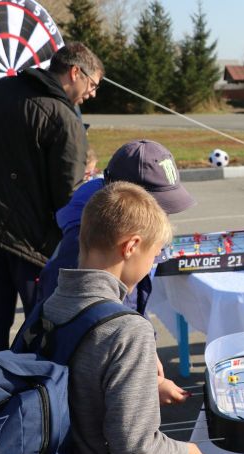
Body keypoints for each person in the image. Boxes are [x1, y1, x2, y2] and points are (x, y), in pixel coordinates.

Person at [43, 182, 207, 454]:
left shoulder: (51, 305)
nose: (152, 265)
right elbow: (133, 442)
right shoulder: (127, 329)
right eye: (154, 254)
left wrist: (143, 387)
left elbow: (80, 386)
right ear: (131, 246)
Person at [0, 42, 103, 355]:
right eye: (93, 84)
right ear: (75, 72)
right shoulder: (63, 116)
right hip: (32, 243)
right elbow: (68, 196)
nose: (93, 93)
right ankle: (38, 384)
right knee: (42, 326)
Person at [37, 140, 196, 406]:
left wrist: (145, 349)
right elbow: (80, 350)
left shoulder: (115, 237)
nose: (164, 220)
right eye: (159, 209)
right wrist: (141, 382)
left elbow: (131, 305)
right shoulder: (81, 253)